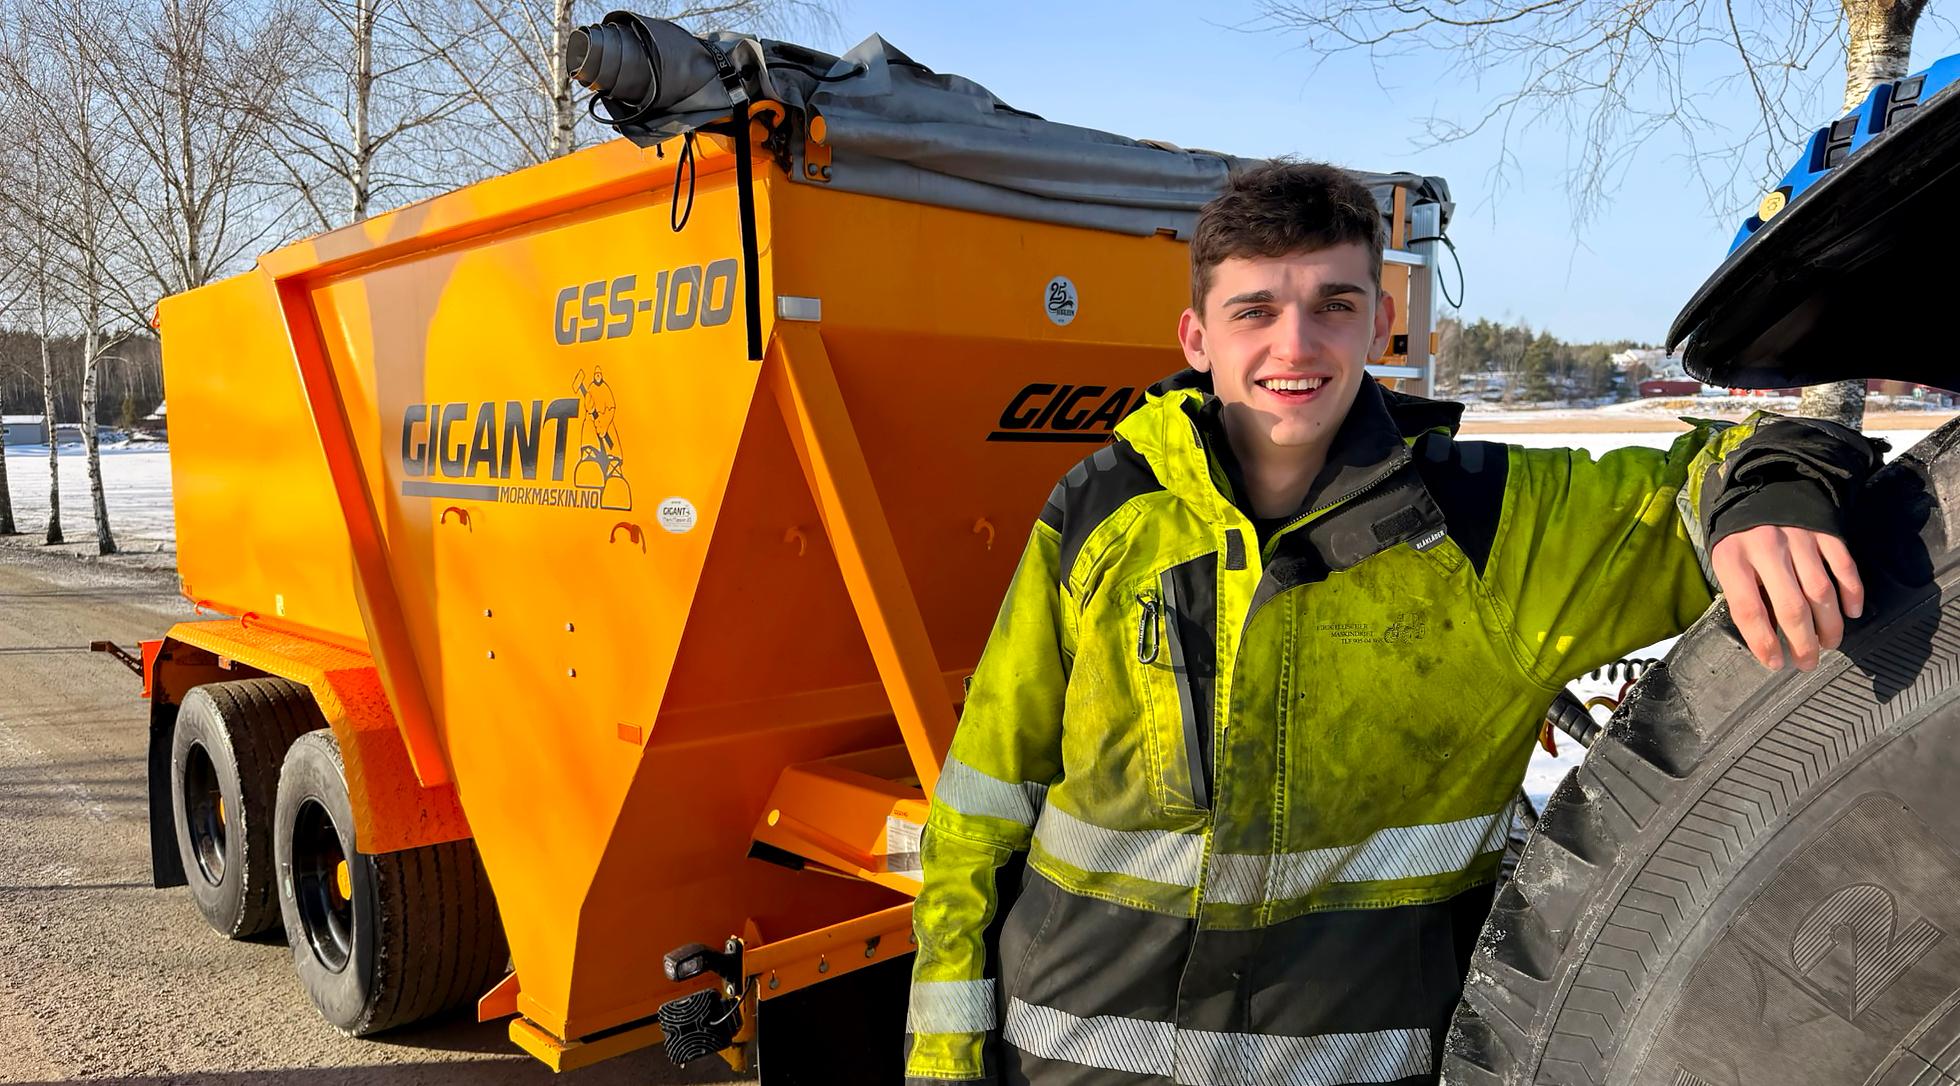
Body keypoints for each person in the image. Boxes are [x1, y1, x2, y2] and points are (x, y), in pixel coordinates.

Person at [902, 160, 1882, 1086]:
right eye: (1254, 311)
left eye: (1333, 306)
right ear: (1197, 339)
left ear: (1379, 321)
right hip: (1062, 1063)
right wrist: (944, 1060)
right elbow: (979, 811)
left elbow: (1715, 468)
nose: (1295, 346)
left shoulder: (1488, 531)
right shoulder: (1103, 511)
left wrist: (1768, 493)